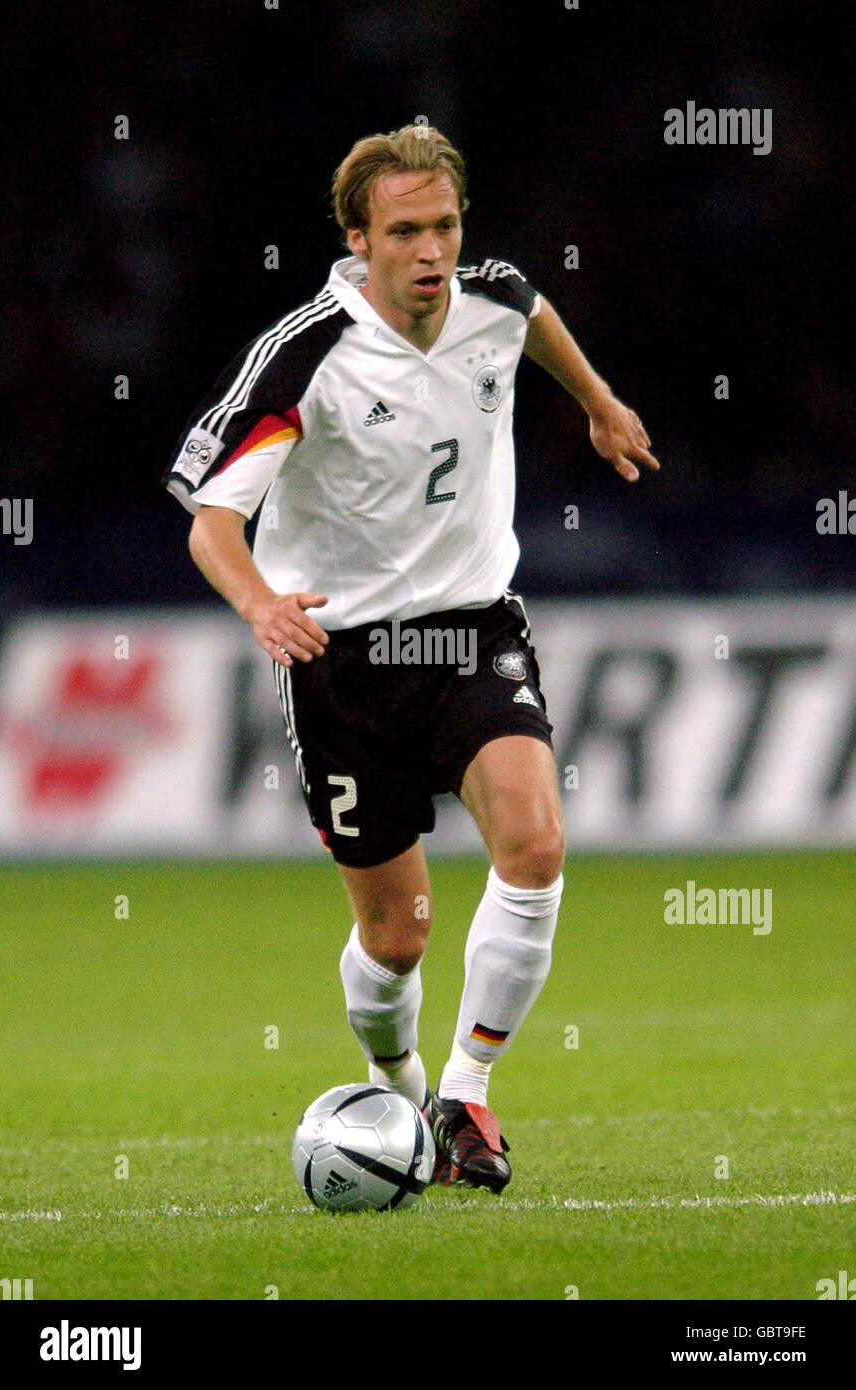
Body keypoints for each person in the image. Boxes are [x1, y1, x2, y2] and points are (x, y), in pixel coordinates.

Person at [163, 124, 659, 1193]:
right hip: (344, 662)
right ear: (358, 239)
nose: (430, 251)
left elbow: (530, 314)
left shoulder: (491, 297)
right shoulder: (307, 355)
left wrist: (597, 402)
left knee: (531, 845)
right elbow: (210, 518)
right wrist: (257, 603)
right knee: (396, 937)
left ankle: (467, 1092)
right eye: (404, 232)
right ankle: (395, 1084)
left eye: (443, 226)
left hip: (473, 628)